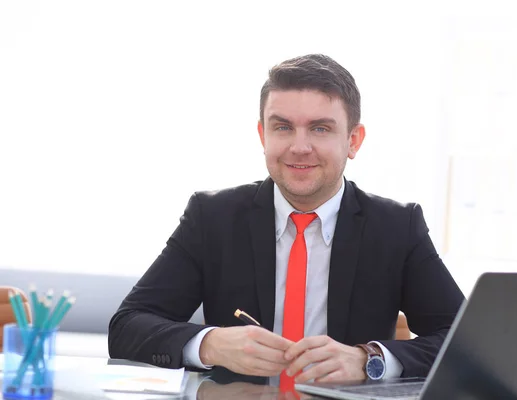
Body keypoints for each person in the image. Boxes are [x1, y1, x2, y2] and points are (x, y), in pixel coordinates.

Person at [108, 54, 464, 390]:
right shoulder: (211, 217)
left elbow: (464, 341)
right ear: (263, 136)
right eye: (283, 127)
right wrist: (209, 344)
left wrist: (369, 360)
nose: (299, 147)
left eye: (320, 129)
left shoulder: (397, 227)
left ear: (353, 140)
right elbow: (127, 326)